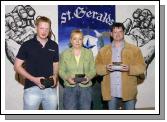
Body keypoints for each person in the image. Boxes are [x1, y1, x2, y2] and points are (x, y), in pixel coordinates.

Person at [95, 22, 146, 110]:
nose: (117, 34)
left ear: (124, 33)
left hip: (129, 91)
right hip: (111, 92)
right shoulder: (103, 51)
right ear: (111, 34)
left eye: (120, 32)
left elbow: (142, 67)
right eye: (115, 32)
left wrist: (130, 68)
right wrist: (105, 68)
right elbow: (96, 68)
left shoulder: (135, 50)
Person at [14, 16, 59, 110]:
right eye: (41, 28)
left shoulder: (54, 45)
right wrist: (34, 79)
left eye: (47, 28)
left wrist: (55, 76)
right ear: (36, 28)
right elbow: (17, 66)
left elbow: (55, 64)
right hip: (31, 89)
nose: (44, 31)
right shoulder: (27, 45)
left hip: (50, 90)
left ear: (50, 29)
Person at [59, 30, 96, 110]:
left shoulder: (89, 53)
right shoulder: (64, 53)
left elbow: (93, 70)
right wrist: (67, 78)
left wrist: (88, 78)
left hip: (86, 89)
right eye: (75, 39)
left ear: (82, 40)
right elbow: (61, 70)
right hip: (69, 88)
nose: (77, 41)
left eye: (80, 39)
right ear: (71, 40)